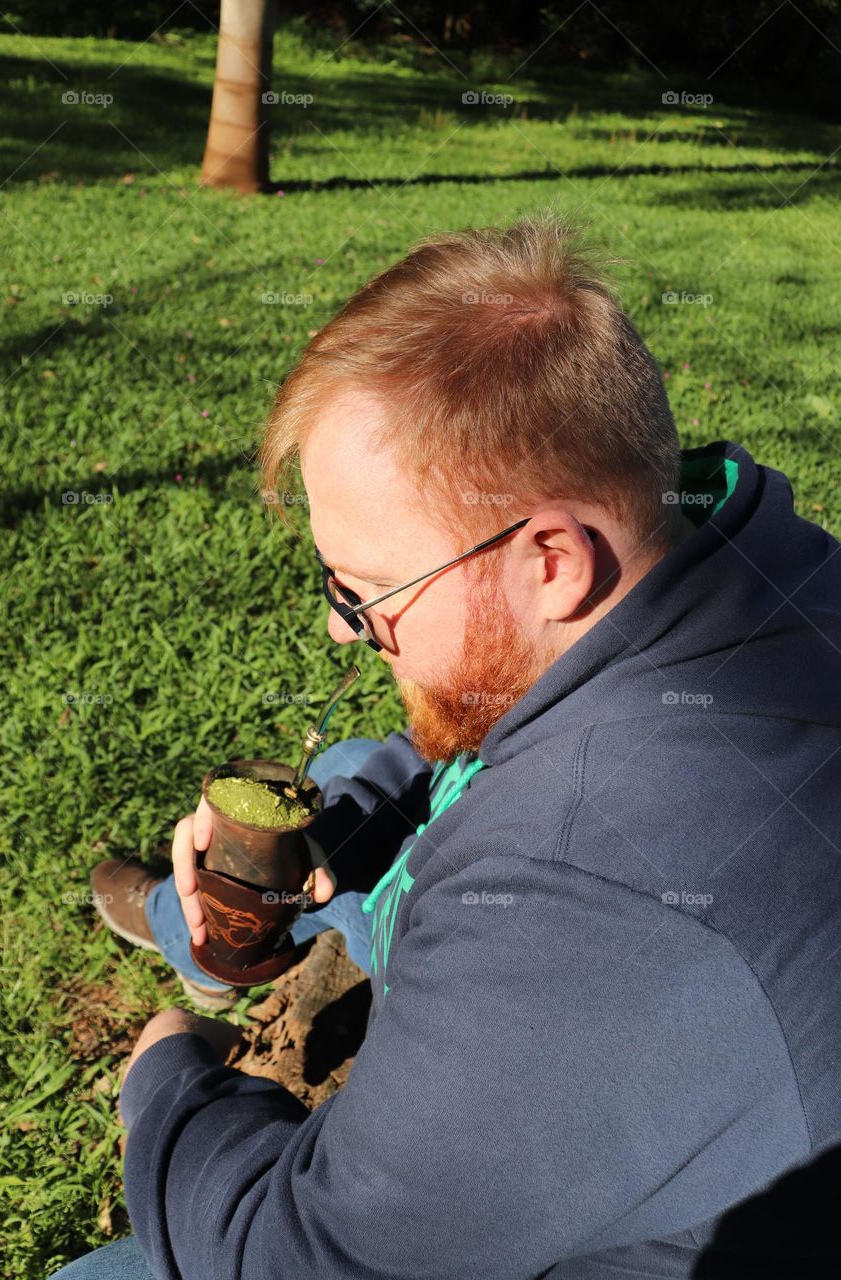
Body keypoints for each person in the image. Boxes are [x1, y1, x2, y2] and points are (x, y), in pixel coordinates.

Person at [57, 213, 841, 1278]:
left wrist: (166, 1078)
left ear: (552, 559)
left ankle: (199, 980)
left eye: (364, 588)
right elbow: (477, 757)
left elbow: (296, 1257)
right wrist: (339, 835)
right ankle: (204, 928)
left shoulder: (582, 884)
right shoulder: (746, 551)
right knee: (347, 780)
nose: (341, 625)